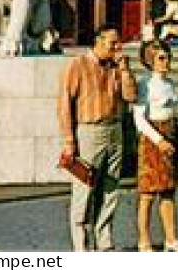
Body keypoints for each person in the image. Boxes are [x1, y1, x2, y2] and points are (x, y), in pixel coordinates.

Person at [57, 26, 138, 252]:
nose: (117, 48)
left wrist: (124, 70)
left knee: (111, 189)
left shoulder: (116, 67)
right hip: (89, 131)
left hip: (115, 129)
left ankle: (105, 243)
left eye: (118, 44)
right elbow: (64, 104)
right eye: (112, 43)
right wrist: (69, 140)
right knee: (85, 187)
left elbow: (130, 96)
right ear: (98, 41)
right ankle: (81, 247)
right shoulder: (77, 65)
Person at [133, 41, 178, 252]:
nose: (166, 62)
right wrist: (159, 140)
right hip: (152, 139)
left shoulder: (171, 83)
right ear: (150, 61)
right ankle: (144, 241)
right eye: (161, 58)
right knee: (147, 193)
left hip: (171, 133)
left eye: (168, 57)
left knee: (168, 191)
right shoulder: (145, 85)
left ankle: (171, 239)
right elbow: (139, 119)